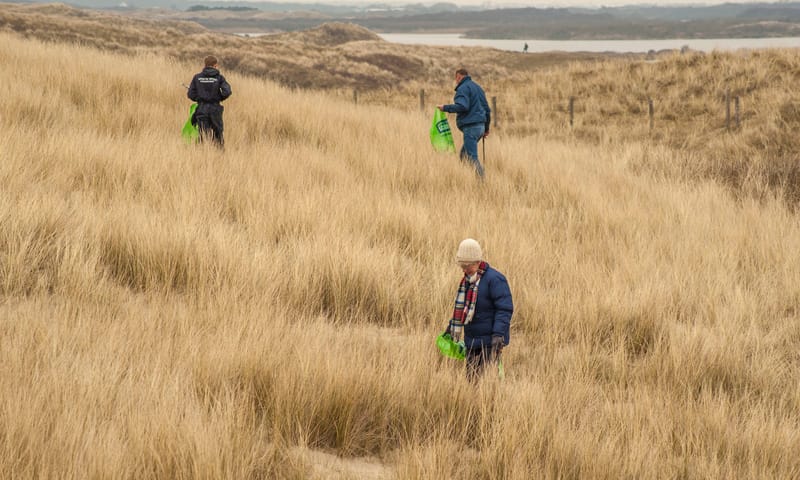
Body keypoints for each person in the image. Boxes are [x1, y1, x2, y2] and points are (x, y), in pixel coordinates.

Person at [446, 238, 513, 380]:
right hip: (471, 342)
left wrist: (498, 334)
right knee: (471, 382)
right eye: (461, 265)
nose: (464, 269)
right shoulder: (467, 282)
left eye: (467, 265)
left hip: (489, 343)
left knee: (487, 382)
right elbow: (464, 309)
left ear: (477, 262)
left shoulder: (495, 280)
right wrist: (451, 326)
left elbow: (504, 309)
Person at [437, 69, 491, 179]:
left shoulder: (462, 89)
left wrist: (445, 108)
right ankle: (467, 178)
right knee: (463, 155)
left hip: (471, 127)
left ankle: (482, 182)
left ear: (458, 77)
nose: (456, 82)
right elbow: (487, 110)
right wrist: (486, 129)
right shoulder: (478, 88)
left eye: (456, 79)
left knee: (471, 157)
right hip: (480, 126)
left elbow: (463, 106)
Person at [187, 55, 232, 147]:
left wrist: (199, 99)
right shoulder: (219, 78)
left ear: (205, 65)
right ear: (215, 65)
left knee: (203, 135)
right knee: (218, 134)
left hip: (201, 109)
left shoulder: (197, 77)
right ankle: (218, 156)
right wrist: (219, 98)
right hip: (215, 109)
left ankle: (202, 155)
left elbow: (190, 94)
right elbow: (227, 91)